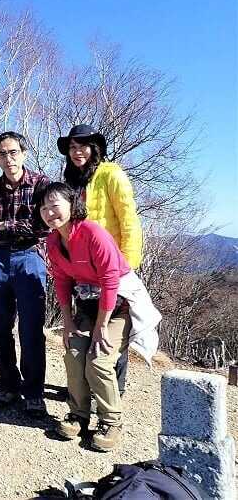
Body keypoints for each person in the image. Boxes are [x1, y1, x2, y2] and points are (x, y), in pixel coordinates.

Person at [38, 182, 160, 451]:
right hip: (87, 307)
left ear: (72, 205)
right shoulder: (53, 241)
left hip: (118, 307)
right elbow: (61, 280)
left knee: (99, 359)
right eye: (43, 208)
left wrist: (101, 326)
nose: (49, 212)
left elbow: (110, 280)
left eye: (55, 205)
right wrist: (68, 322)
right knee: (74, 353)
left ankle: (111, 421)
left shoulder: (93, 233)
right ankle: (78, 414)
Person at [58, 124, 143, 395]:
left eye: (82, 146)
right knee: (89, 320)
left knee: (113, 327)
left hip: (113, 264)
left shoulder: (111, 173)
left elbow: (129, 220)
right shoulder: (71, 180)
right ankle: (84, 386)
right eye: (72, 147)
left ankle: (115, 388)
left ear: (94, 148)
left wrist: (127, 265)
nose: (77, 152)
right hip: (83, 267)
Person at [0, 132, 51, 417]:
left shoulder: (42, 185)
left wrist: (4, 226)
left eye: (13, 152)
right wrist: (15, 227)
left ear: (24, 153)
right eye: (2, 154)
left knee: (31, 328)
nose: (8, 158)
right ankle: (8, 384)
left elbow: (43, 226)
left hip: (30, 257)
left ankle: (33, 392)